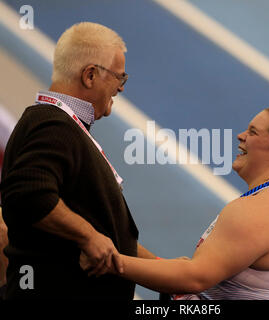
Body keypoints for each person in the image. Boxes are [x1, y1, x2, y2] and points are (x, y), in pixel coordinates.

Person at [83, 106, 269, 300]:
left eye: (253, 132)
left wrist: (112, 263)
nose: (241, 136)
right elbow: (195, 271)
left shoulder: (263, 209)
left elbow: (194, 278)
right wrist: (113, 246)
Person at [0, 22, 156, 300]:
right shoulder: (52, 124)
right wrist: (87, 237)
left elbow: (105, 232)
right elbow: (28, 194)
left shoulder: (62, 126)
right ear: (90, 75)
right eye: (120, 78)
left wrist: (160, 270)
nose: (120, 89)